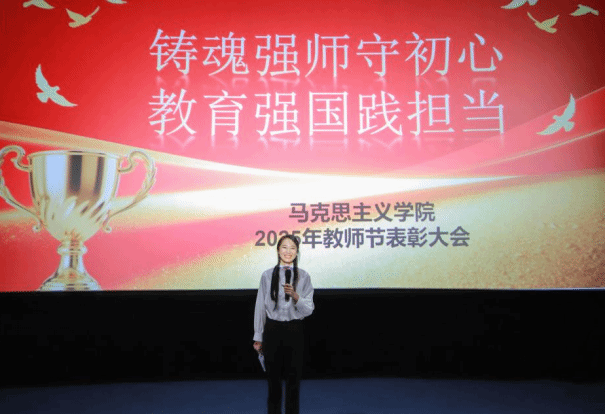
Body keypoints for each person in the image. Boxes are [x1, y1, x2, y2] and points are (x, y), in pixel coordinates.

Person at [253, 234, 315, 414]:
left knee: (293, 380)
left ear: (297, 252)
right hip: (273, 329)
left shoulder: (304, 276)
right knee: (273, 381)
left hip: (294, 330)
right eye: (284, 247)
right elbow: (260, 306)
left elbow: (309, 309)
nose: (288, 251)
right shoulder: (267, 275)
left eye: (293, 248)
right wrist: (258, 336)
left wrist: (296, 296)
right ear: (278, 250)